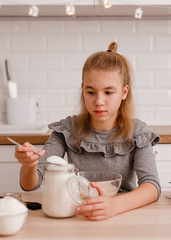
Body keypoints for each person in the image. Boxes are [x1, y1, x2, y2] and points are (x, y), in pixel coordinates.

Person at [14, 42, 160, 221]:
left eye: (108, 92)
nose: (99, 101)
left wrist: (114, 206)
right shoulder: (67, 129)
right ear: (82, 89)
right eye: (91, 92)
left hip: (122, 213)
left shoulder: (138, 132)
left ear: (124, 92)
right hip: (77, 213)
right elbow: (31, 185)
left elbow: (152, 186)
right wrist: (29, 165)